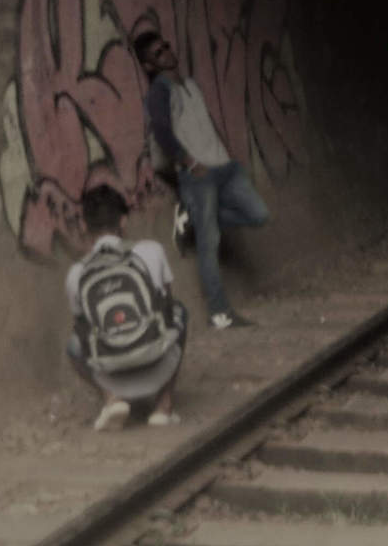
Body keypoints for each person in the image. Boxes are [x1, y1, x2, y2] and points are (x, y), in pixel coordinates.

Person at [133, 26, 269, 329]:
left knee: (258, 214)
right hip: (199, 176)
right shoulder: (158, 93)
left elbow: (205, 125)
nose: (167, 52)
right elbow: (163, 134)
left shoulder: (191, 84)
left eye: (166, 46)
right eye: (158, 53)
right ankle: (219, 313)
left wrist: (226, 155)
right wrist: (190, 163)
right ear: (148, 65)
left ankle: (191, 221)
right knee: (210, 244)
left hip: (223, 166)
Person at [64, 184, 186, 431]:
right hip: (157, 363)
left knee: (74, 344)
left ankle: (112, 399)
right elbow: (167, 306)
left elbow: (82, 327)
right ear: (123, 220)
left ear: (85, 226)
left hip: (110, 371)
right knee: (180, 311)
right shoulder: (151, 250)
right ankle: (163, 407)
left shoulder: (77, 273)